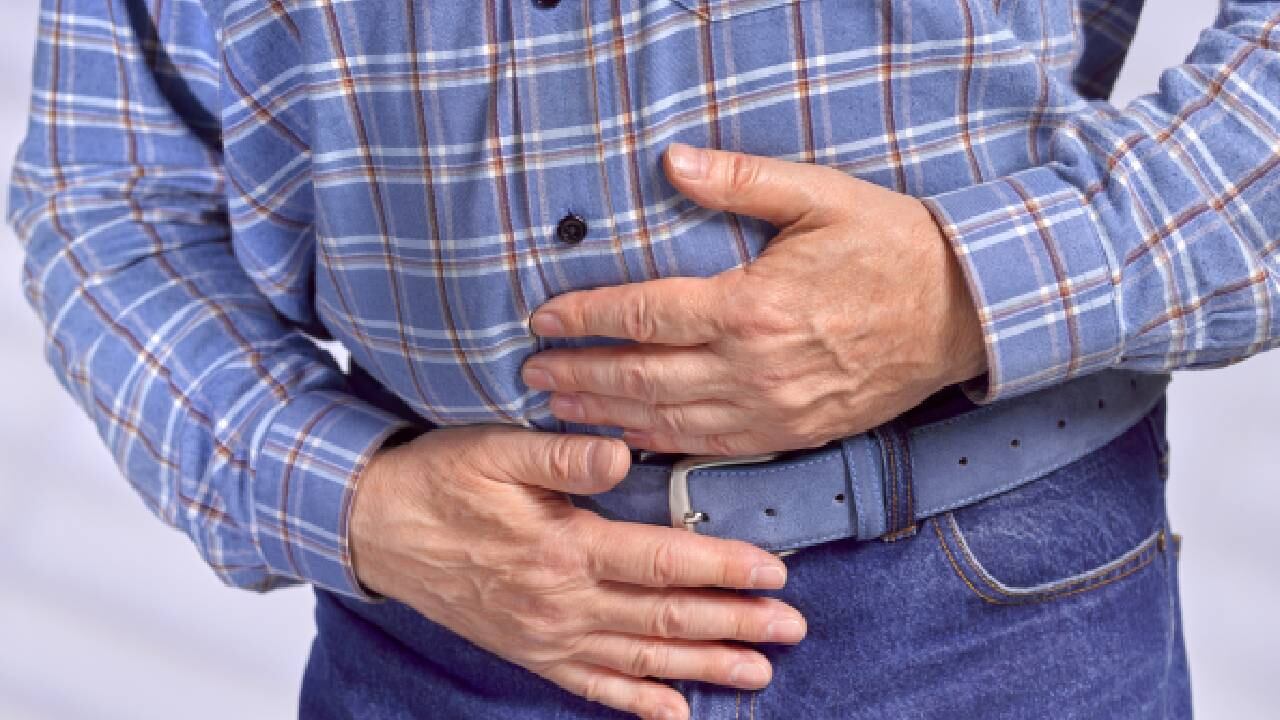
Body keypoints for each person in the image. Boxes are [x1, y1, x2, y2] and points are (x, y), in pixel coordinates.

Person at [9, 0, 1278, 717]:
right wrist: (352, 498)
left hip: (986, 629)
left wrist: (962, 286)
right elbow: (105, 196)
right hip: (440, 641)